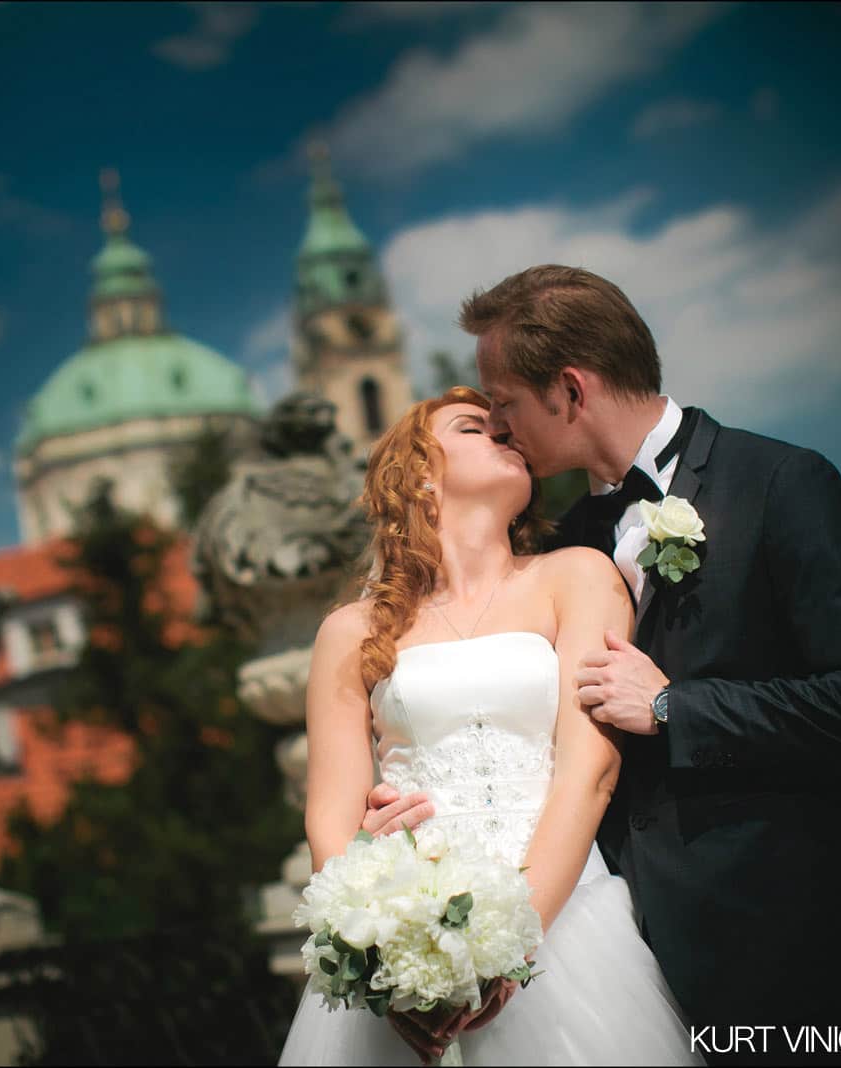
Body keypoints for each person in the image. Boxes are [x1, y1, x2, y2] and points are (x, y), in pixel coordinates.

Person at [365, 266, 841, 1063]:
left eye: (505, 404)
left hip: (780, 944)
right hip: (615, 956)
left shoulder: (778, 484)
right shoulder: (561, 545)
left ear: (569, 390)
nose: (498, 424)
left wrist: (675, 710)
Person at [278, 387, 703, 1066]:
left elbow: (589, 773)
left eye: (507, 428)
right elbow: (329, 822)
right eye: (477, 427)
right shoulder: (351, 631)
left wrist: (505, 947)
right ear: (419, 471)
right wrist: (389, 951)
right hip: (415, 932)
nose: (506, 433)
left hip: (566, 919)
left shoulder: (575, 576)